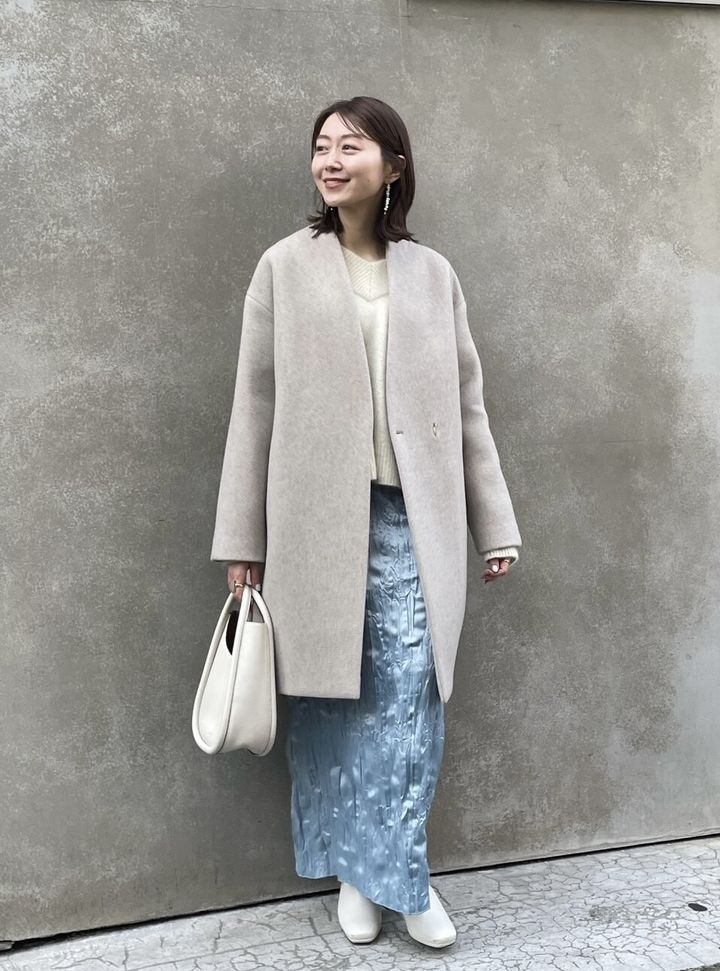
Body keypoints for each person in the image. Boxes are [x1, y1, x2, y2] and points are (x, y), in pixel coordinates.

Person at [211, 96, 521, 949]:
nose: (332, 159)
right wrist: (242, 540)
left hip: (415, 521)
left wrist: (494, 522)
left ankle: (403, 877)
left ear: (394, 166)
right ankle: (355, 871)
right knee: (335, 705)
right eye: (322, 146)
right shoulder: (283, 267)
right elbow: (253, 405)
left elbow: (467, 405)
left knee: (411, 701)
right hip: (316, 524)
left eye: (352, 145)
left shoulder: (433, 275)